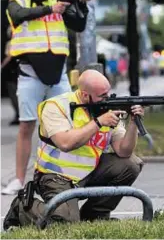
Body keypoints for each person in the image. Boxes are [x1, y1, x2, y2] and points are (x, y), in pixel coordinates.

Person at [3, 69, 144, 230]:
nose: (108, 99)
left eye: (108, 93)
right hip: (55, 176)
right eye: (102, 96)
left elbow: (123, 151)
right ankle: (22, 207)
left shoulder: (105, 109)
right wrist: (98, 122)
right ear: (85, 95)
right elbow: (65, 143)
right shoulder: (56, 107)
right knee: (64, 226)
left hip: (89, 171)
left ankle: (94, 217)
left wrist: (133, 123)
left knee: (131, 164)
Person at [2, 0, 93, 195]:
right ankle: (19, 179)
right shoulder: (19, 0)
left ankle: (65, 176)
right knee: (27, 126)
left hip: (58, 74)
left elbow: (79, 25)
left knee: (67, 123)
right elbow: (18, 15)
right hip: (30, 74)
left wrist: (81, 4)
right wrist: (50, 8)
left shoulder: (58, 2)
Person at [1, 27, 19, 125]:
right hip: (17, 69)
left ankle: (18, 114)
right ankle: (18, 114)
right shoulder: (22, 42)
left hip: (11, 70)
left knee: (13, 93)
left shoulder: (10, 43)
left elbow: (9, 56)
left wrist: (2, 66)